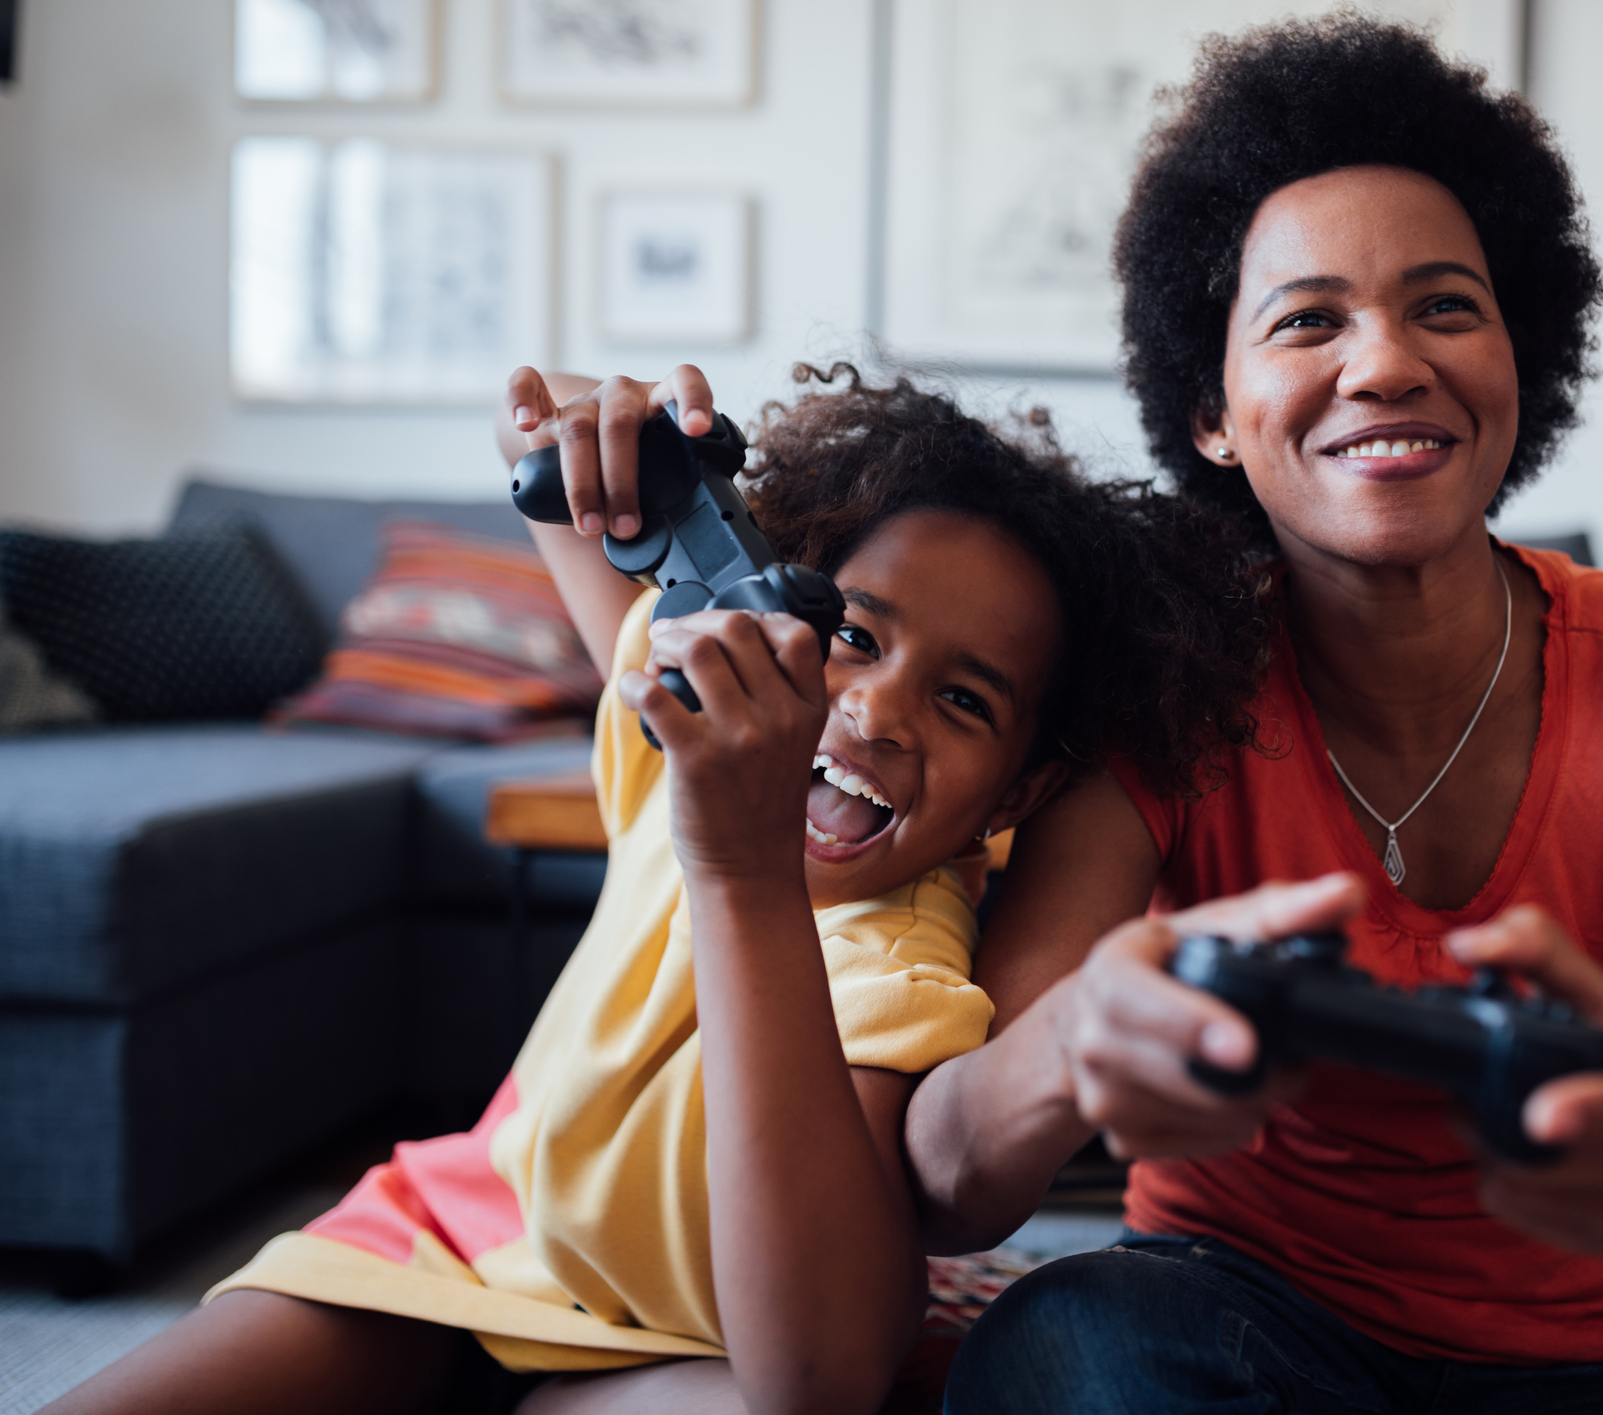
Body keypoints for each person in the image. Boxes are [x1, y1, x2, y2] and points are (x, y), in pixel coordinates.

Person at [905, 16, 1603, 1413]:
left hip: (1575, 1376)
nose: (1386, 362)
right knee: (1062, 1336)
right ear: (1212, 411)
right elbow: (949, 1182)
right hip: (1217, 1323)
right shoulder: (1162, 684)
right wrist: (1067, 1036)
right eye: (1305, 319)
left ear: (1519, 361)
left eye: (1444, 305)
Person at [39, 365, 1260, 1415]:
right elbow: (539, 425)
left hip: (678, 1342)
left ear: (1011, 796)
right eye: (852, 632)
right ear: (756, 614)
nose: (878, 709)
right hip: (454, 1236)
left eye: (963, 700)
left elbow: (817, 1373)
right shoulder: (684, 725)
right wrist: (630, 436)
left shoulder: (902, 975)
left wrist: (738, 868)